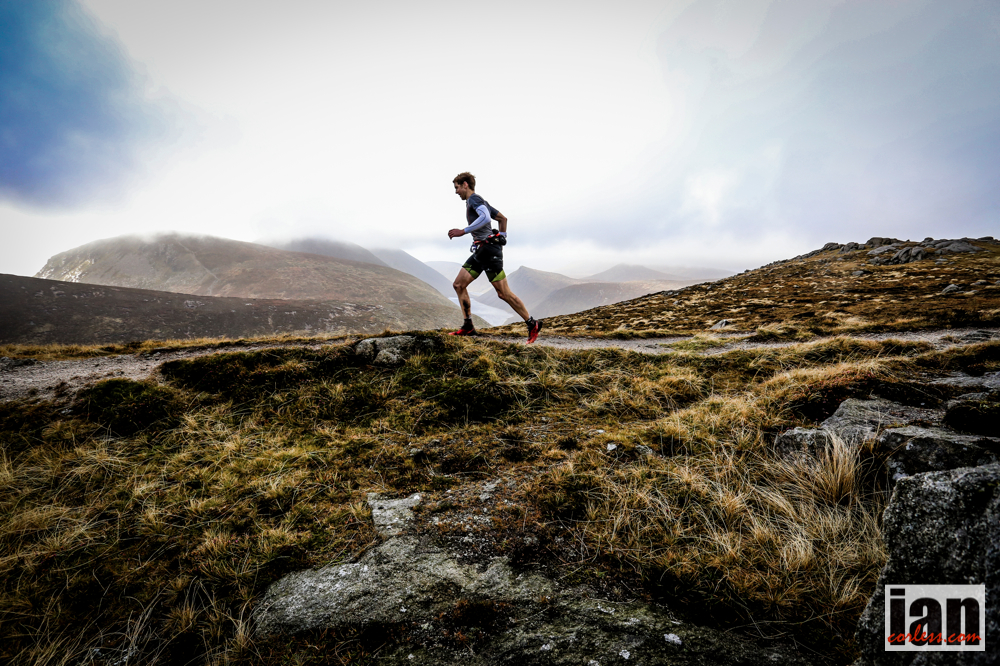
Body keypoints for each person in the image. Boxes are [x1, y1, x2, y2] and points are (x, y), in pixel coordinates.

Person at [447, 172, 542, 343]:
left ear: (465, 184)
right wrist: (502, 237)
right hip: (482, 251)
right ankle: (468, 326)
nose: (456, 192)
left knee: (503, 293)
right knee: (459, 285)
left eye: (457, 187)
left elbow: (484, 217)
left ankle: (532, 323)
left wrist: (464, 231)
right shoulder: (480, 201)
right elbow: (502, 219)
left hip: (489, 252)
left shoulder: (474, 200)